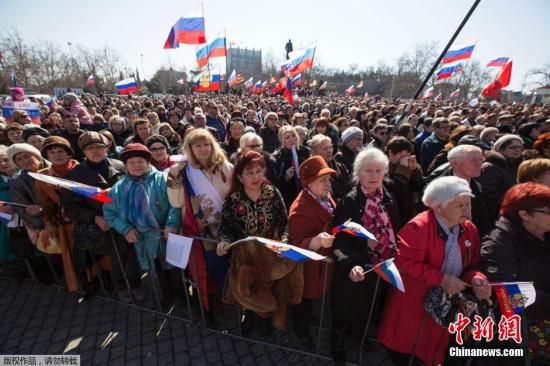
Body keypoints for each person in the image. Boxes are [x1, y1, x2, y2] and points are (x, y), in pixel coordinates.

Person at [378, 176, 491, 366]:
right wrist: (440, 278)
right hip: (415, 301)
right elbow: (403, 262)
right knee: (409, 349)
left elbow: (473, 264)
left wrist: (477, 278)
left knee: (435, 347)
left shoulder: (469, 229)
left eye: (468, 204)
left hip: (448, 302)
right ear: (439, 207)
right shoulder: (419, 227)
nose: (467, 210)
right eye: (459, 205)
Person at [216, 151, 300, 334]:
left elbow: (283, 222)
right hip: (244, 254)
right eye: (249, 173)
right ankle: (249, 315)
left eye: (259, 171)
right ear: (239, 176)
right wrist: (224, 241)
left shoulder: (272, 193)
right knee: (248, 287)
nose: (255, 176)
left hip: (269, 252)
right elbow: (226, 227)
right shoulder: (233, 199)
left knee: (267, 286)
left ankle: (266, 318)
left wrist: (283, 243)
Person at [331, 147, 401, 363]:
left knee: (367, 307)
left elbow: (396, 229)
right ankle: (337, 342)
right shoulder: (350, 202)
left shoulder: (388, 198)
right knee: (344, 310)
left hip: (380, 265)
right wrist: (351, 264)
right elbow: (340, 241)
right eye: (368, 171)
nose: (373, 176)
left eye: (379, 171)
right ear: (358, 173)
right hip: (355, 268)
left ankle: (359, 334)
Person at [61, 132, 143, 302]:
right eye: (90, 148)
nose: (95, 150)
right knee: (116, 258)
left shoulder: (120, 165)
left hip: (128, 219)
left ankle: (136, 284)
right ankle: (121, 287)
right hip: (103, 224)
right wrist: (94, 218)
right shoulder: (74, 176)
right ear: (84, 152)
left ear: (106, 148)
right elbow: (70, 207)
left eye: (99, 146)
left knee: (133, 254)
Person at [480, 183, 550, 366]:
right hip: (519, 339)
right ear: (525, 215)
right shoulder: (499, 243)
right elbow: (506, 293)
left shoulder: (544, 234)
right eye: (548, 212)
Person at [103, 143, 181, 308]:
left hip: (167, 233)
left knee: (176, 268)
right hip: (143, 238)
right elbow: (110, 213)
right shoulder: (118, 188)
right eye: (132, 162)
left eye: (140, 161)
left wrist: (172, 224)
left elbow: (177, 204)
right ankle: (166, 294)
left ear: (148, 162)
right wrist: (125, 229)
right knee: (158, 268)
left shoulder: (165, 178)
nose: (136, 165)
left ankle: (182, 296)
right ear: (126, 165)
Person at [167, 128, 233, 319]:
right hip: (201, 231)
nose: (203, 149)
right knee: (210, 266)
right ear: (190, 148)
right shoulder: (183, 171)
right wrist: (173, 177)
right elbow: (176, 202)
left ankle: (230, 298)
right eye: (198, 145)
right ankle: (214, 300)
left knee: (230, 263)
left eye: (207, 144)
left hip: (227, 226)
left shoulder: (225, 167)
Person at [288, 156, 336, 348]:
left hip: (321, 263)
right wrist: (314, 241)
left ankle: (308, 321)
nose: (328, 183)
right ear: (309, 183)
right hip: (307, 267)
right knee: (304, 299)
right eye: (322, 179)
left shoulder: (322, 196)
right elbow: (295, 243)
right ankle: (301, 330)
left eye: (328, 178)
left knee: (314, 297)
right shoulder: (300, 210)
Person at [479, 134, 524, 224]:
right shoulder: (491, 166)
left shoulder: (515, 164)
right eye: (512, 147)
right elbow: (490, 196)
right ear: (500, 149)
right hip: (502, 216)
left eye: (520, 147)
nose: (517, 150)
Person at [385, 137, 424, 223]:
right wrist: (402, 170)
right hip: (393, 215)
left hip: (409, 212)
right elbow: (395, 190)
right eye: (402, 156)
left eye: (407, 155)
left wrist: (415, 171)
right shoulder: (382, 168)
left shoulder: (409, 166)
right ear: (390, 152)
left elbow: (418, 189)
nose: (404, 159)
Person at [272, 125, 311, 208]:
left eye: (293, 136)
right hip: (289, 197)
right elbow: (274, 183)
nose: (292, 139)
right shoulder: (278, 156)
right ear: (281, 141)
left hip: (306, 193)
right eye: (287, 137)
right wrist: (285, 177)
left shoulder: (306, 152)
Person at [308, 134, 351, 203]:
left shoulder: (340, 167)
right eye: (324, 149)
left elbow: (349, 188)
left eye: (330, 147)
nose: (329, 151)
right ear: (314, 152)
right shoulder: (310, 171)